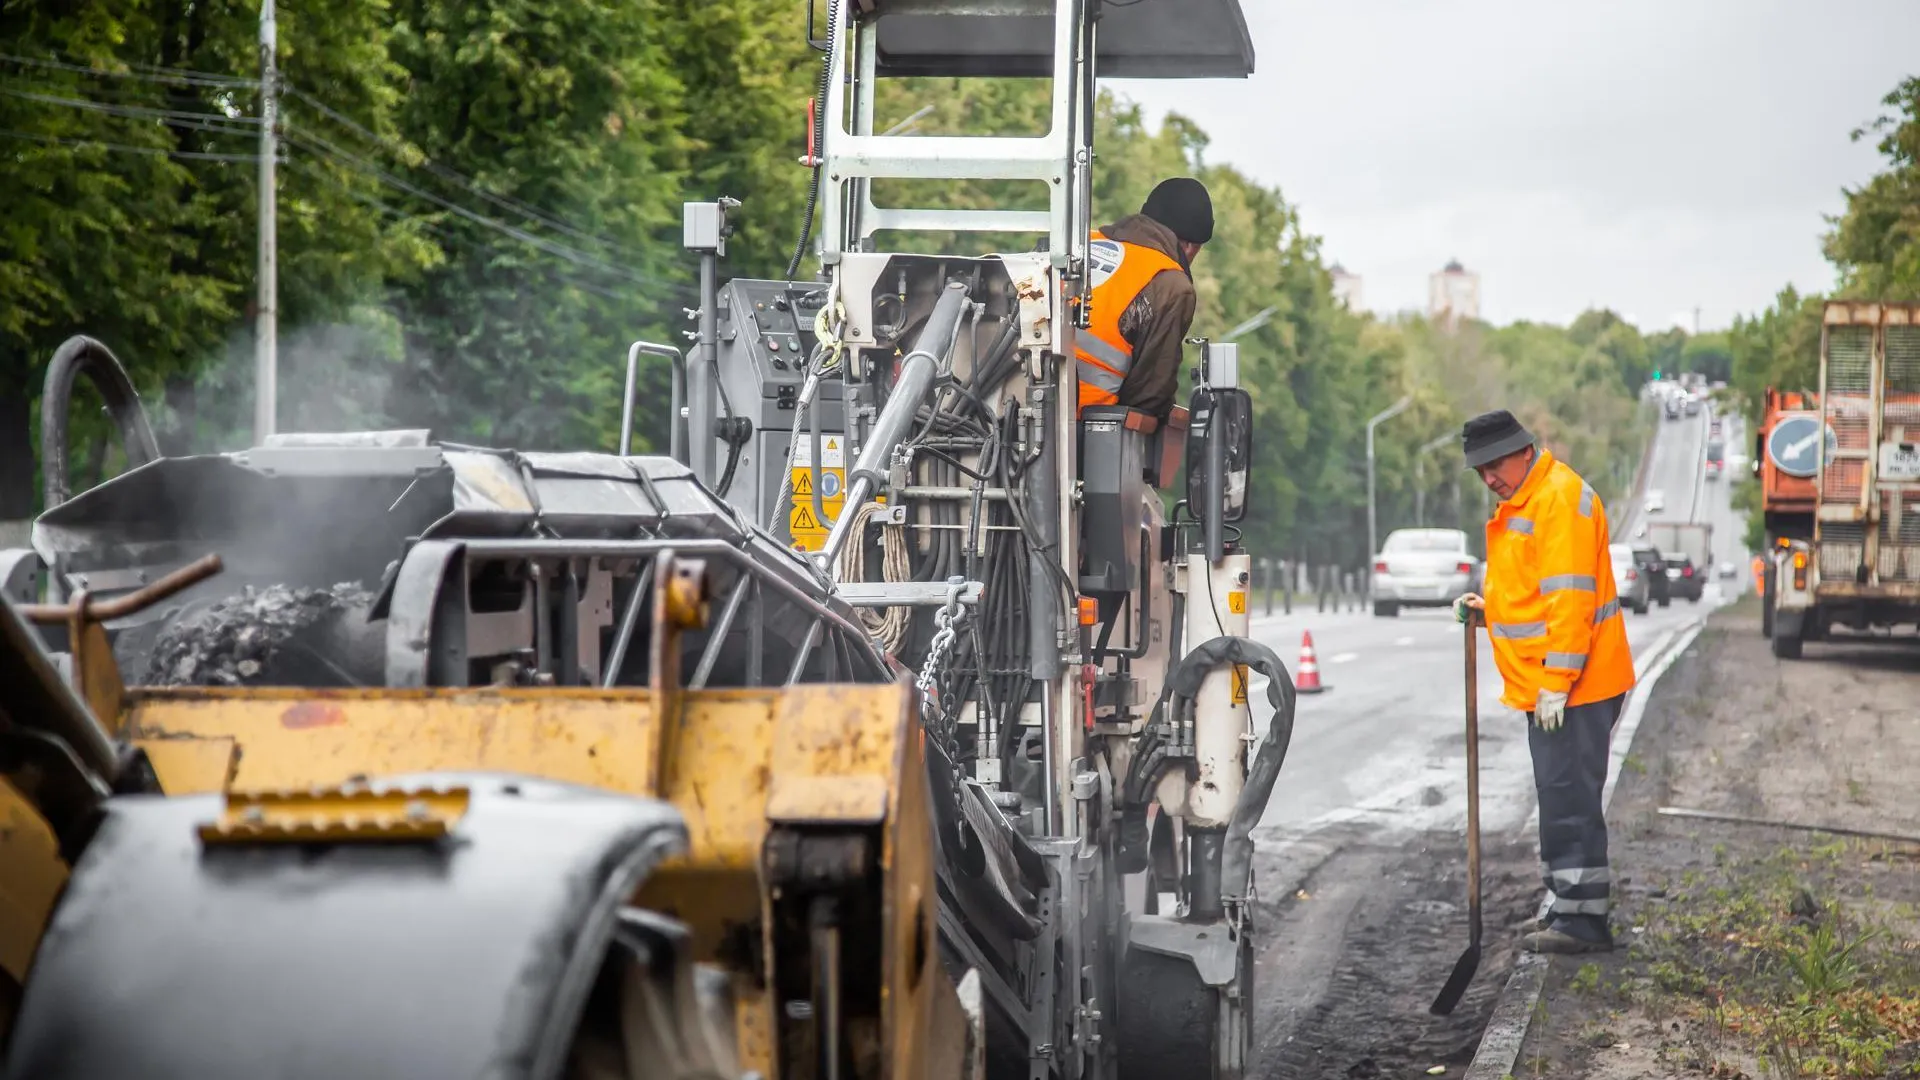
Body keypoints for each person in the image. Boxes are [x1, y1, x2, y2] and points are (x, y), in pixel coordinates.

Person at [1451, 410, 1637, 954]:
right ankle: (1567, 905)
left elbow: (1571, 600)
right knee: (1559, 797)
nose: (1488, 477)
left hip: (1576, 685)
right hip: (1557, 685)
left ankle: (1583, 923)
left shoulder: (1558, 499)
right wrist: (1487, 610)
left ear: (1524, 450)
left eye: (1494, 464)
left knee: (1569, 799)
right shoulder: (1528, 501)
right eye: (1479, 469)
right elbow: (1534, 595)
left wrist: (1557, 681)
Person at [1075, 177, 1211, 422]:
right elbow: (1149, 395)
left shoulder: (1079, 243)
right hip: (1082, 436)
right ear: (1190, 247)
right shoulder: (1170, 284)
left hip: (1009, 414)